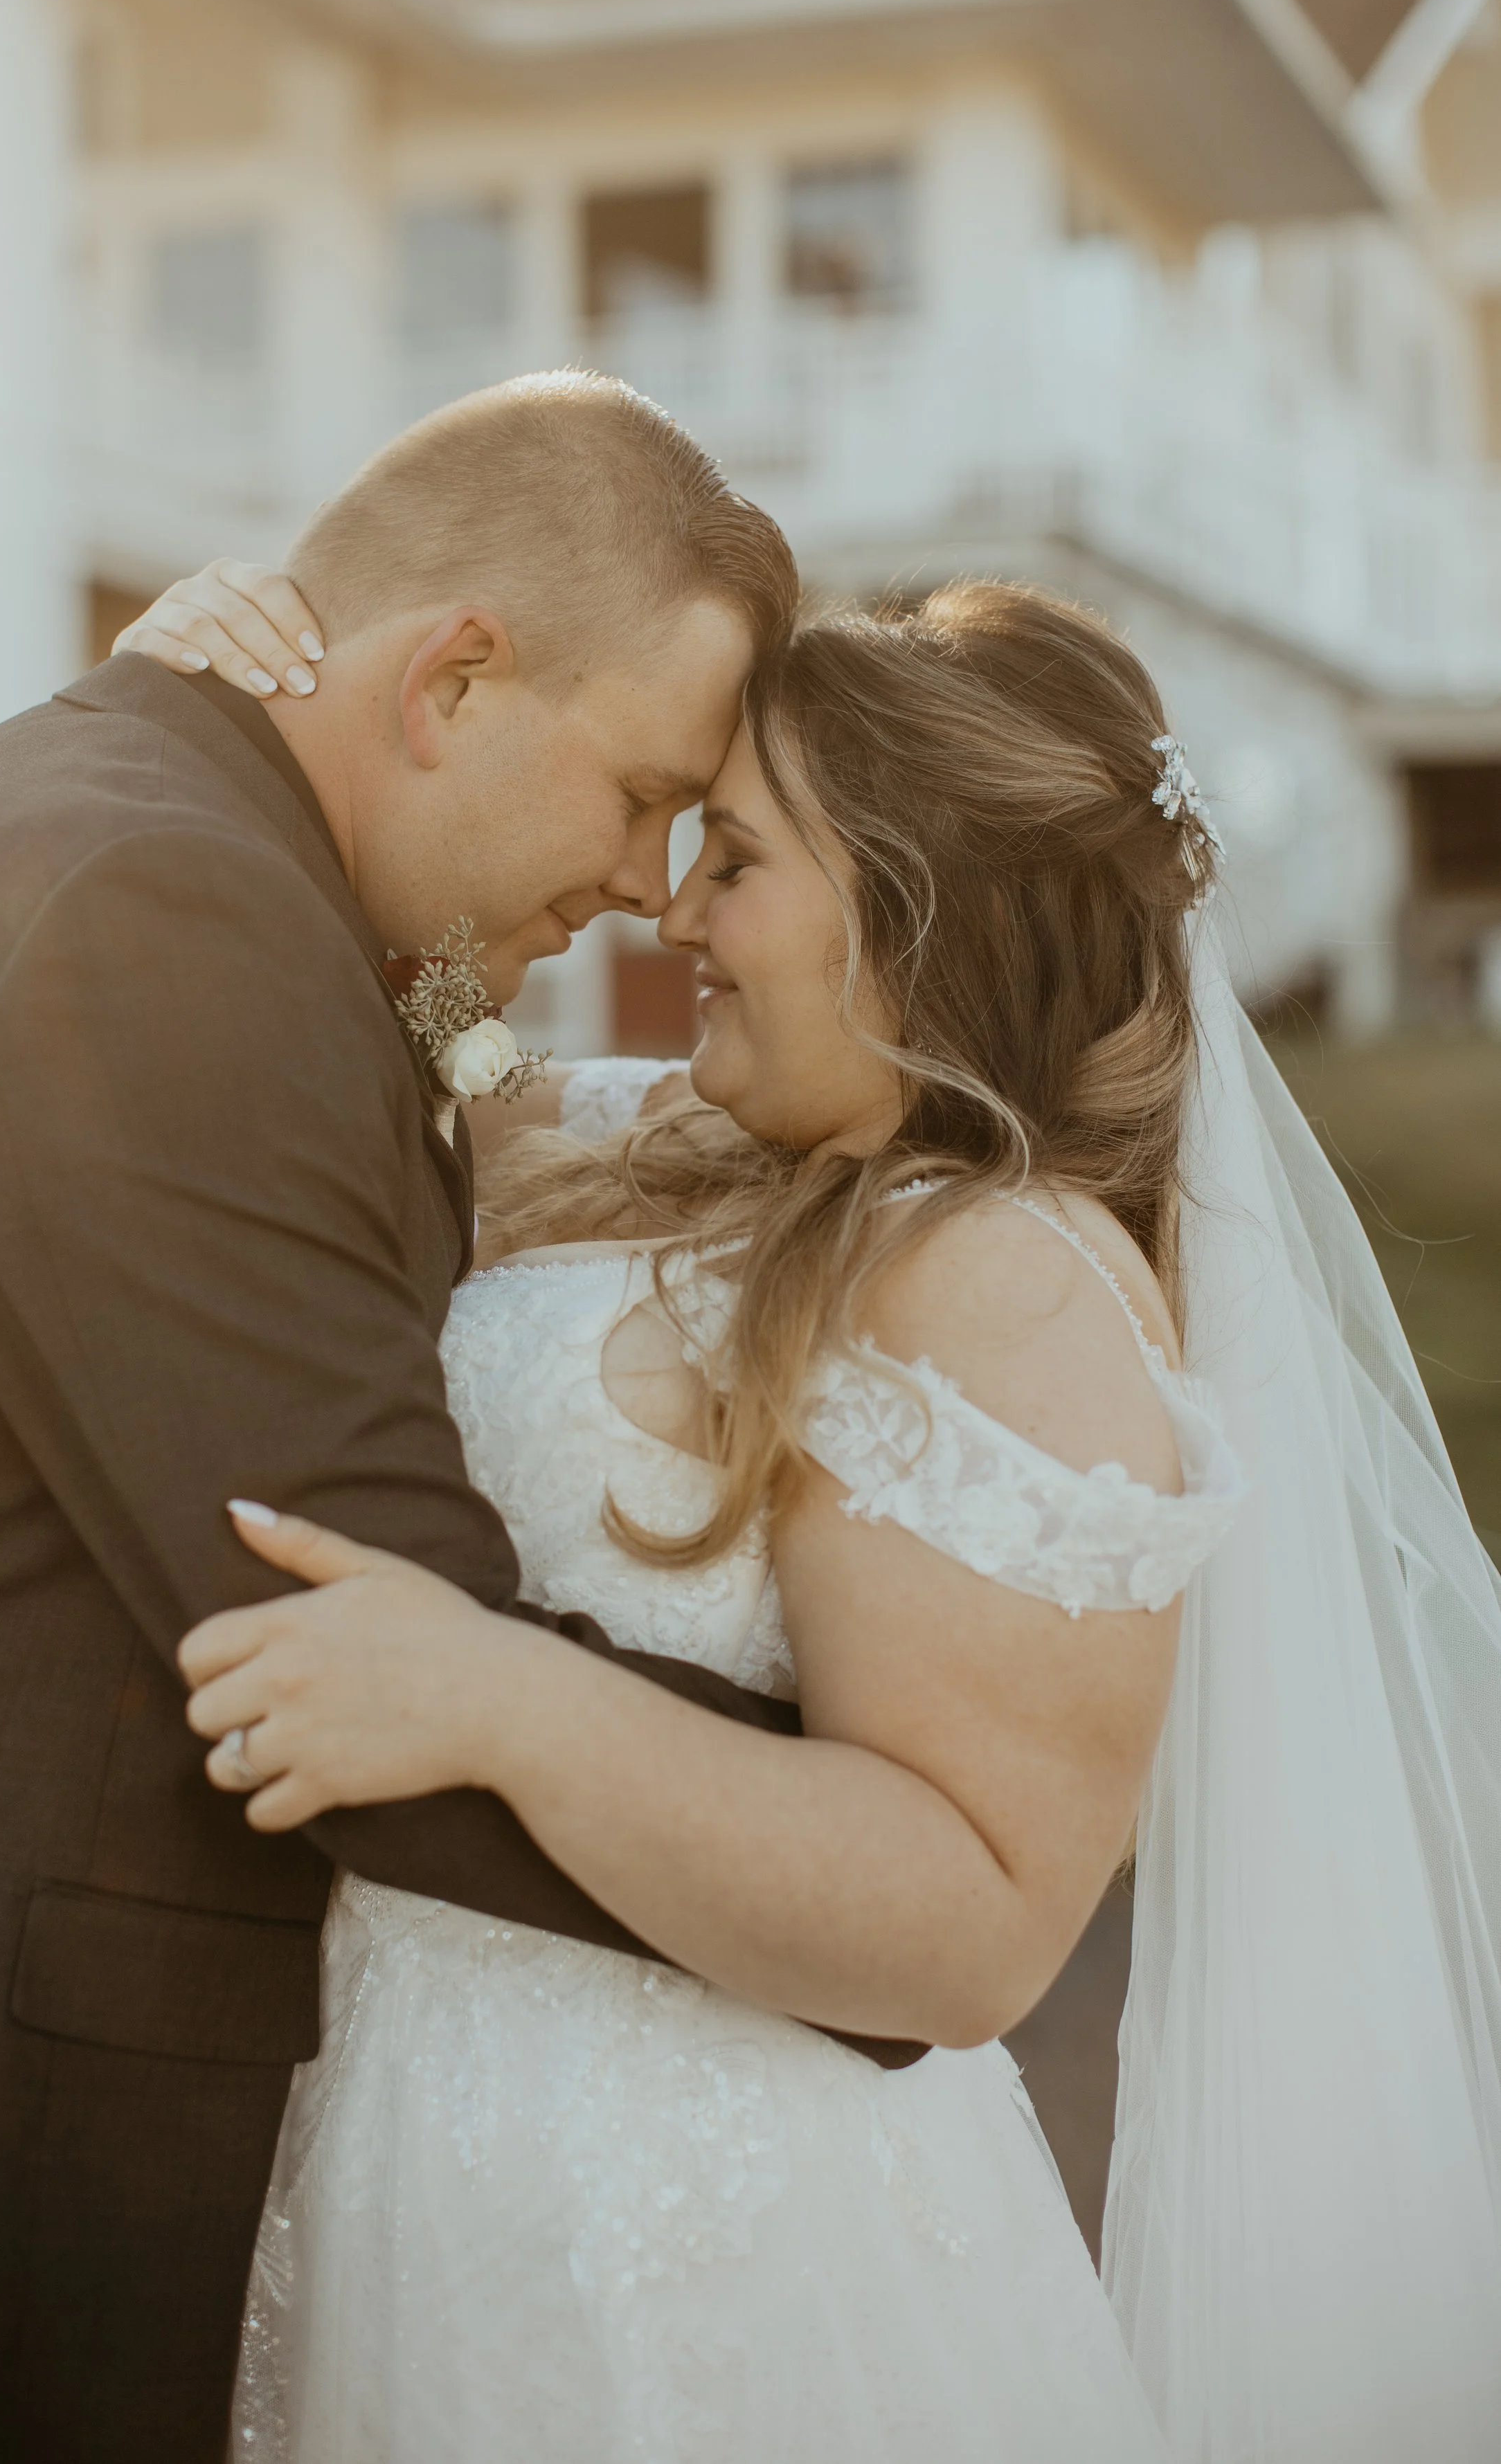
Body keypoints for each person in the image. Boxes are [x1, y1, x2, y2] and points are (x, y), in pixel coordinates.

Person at [156, 573, 1501, 2460]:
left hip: (698, 2274)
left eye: (739, 860)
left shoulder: (1008, 1275)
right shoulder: (736, 1155)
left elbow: (972, 1923)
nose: (672, 907)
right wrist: (255, 737)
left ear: (907, 904)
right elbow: (455, 1078)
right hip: (434, 2158)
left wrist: (487, 1696)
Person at [0, 374, 841, 2463]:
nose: (645, 882)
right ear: (454, 673)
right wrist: (885, 1849)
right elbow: (360, 1642)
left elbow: (439, 1063)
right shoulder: (159, 918)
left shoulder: (175, 841)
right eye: (641, 795)